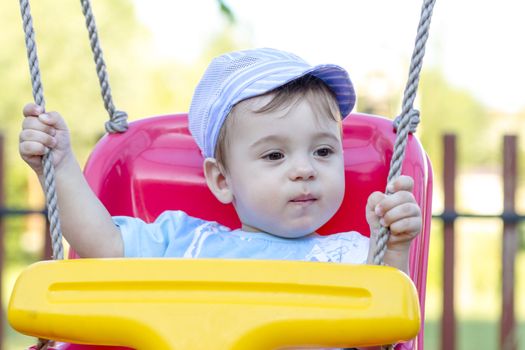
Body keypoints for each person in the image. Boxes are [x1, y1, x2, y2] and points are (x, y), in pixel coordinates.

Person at [19, 48, 421, 274]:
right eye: (275, 155)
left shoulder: (351, 255)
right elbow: (101, 245)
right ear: (222, 180)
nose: (305, 169)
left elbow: (384, 315)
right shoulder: (185, 243)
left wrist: (395, 248)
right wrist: (56, 167)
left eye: (323, 151)